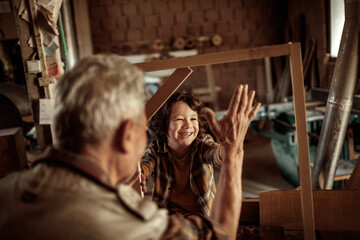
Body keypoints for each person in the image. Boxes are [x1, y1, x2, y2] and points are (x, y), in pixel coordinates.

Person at [0, 54, 261, 240]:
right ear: (127, 134)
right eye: (141, 127)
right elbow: (221, 235)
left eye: (192, 119)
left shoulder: (7, 192)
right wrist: (235, 153)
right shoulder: (131, 224)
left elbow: (212, 154)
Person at [140, 92, 226, 216]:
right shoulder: (156, 149)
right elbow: (145, 165)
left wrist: (226, 146)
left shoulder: (203, 144)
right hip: (168, 216)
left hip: (202, 215)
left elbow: (217, 155)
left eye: (193, 119)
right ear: (164, 125)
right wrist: (140, 175)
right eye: (179, 119)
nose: (188, 125)